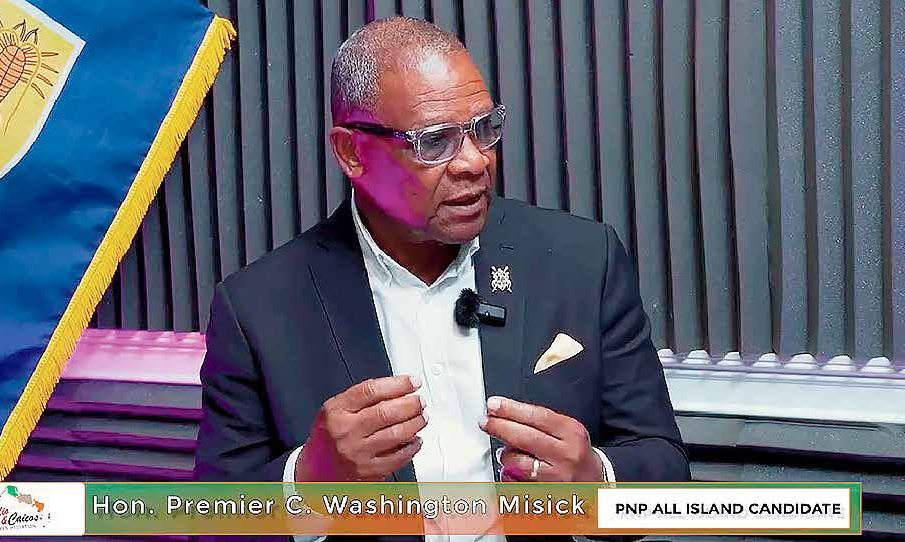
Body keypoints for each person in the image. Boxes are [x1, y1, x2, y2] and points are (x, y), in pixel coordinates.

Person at [194, 16, 689, 541]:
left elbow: (665, 473)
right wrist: (308, 483)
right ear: (351, 152)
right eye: (435, 142)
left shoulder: (582, 261)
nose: (475, 162)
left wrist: (596, 485)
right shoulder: (257, 309)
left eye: (485, 129)